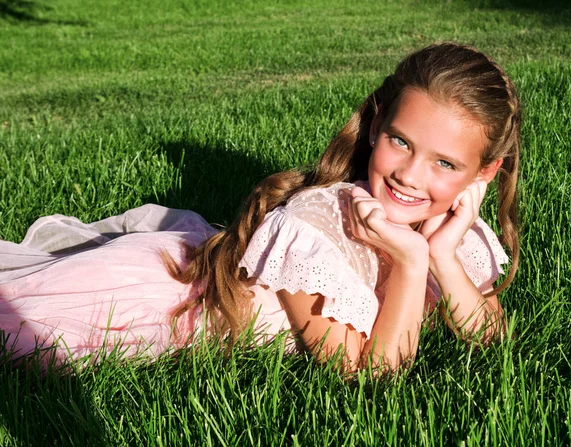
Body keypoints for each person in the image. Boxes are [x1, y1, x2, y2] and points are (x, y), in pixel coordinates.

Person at [0, 42, 520, 372]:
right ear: (377, 123)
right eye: (400, 142)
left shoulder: (448, 226)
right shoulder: (313, 225)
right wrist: (410, 261)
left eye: (445, 164)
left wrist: (443, 254)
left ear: (483, 173)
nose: (410, 176)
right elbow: (374, 376)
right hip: (165, 302)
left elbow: (490, 335)